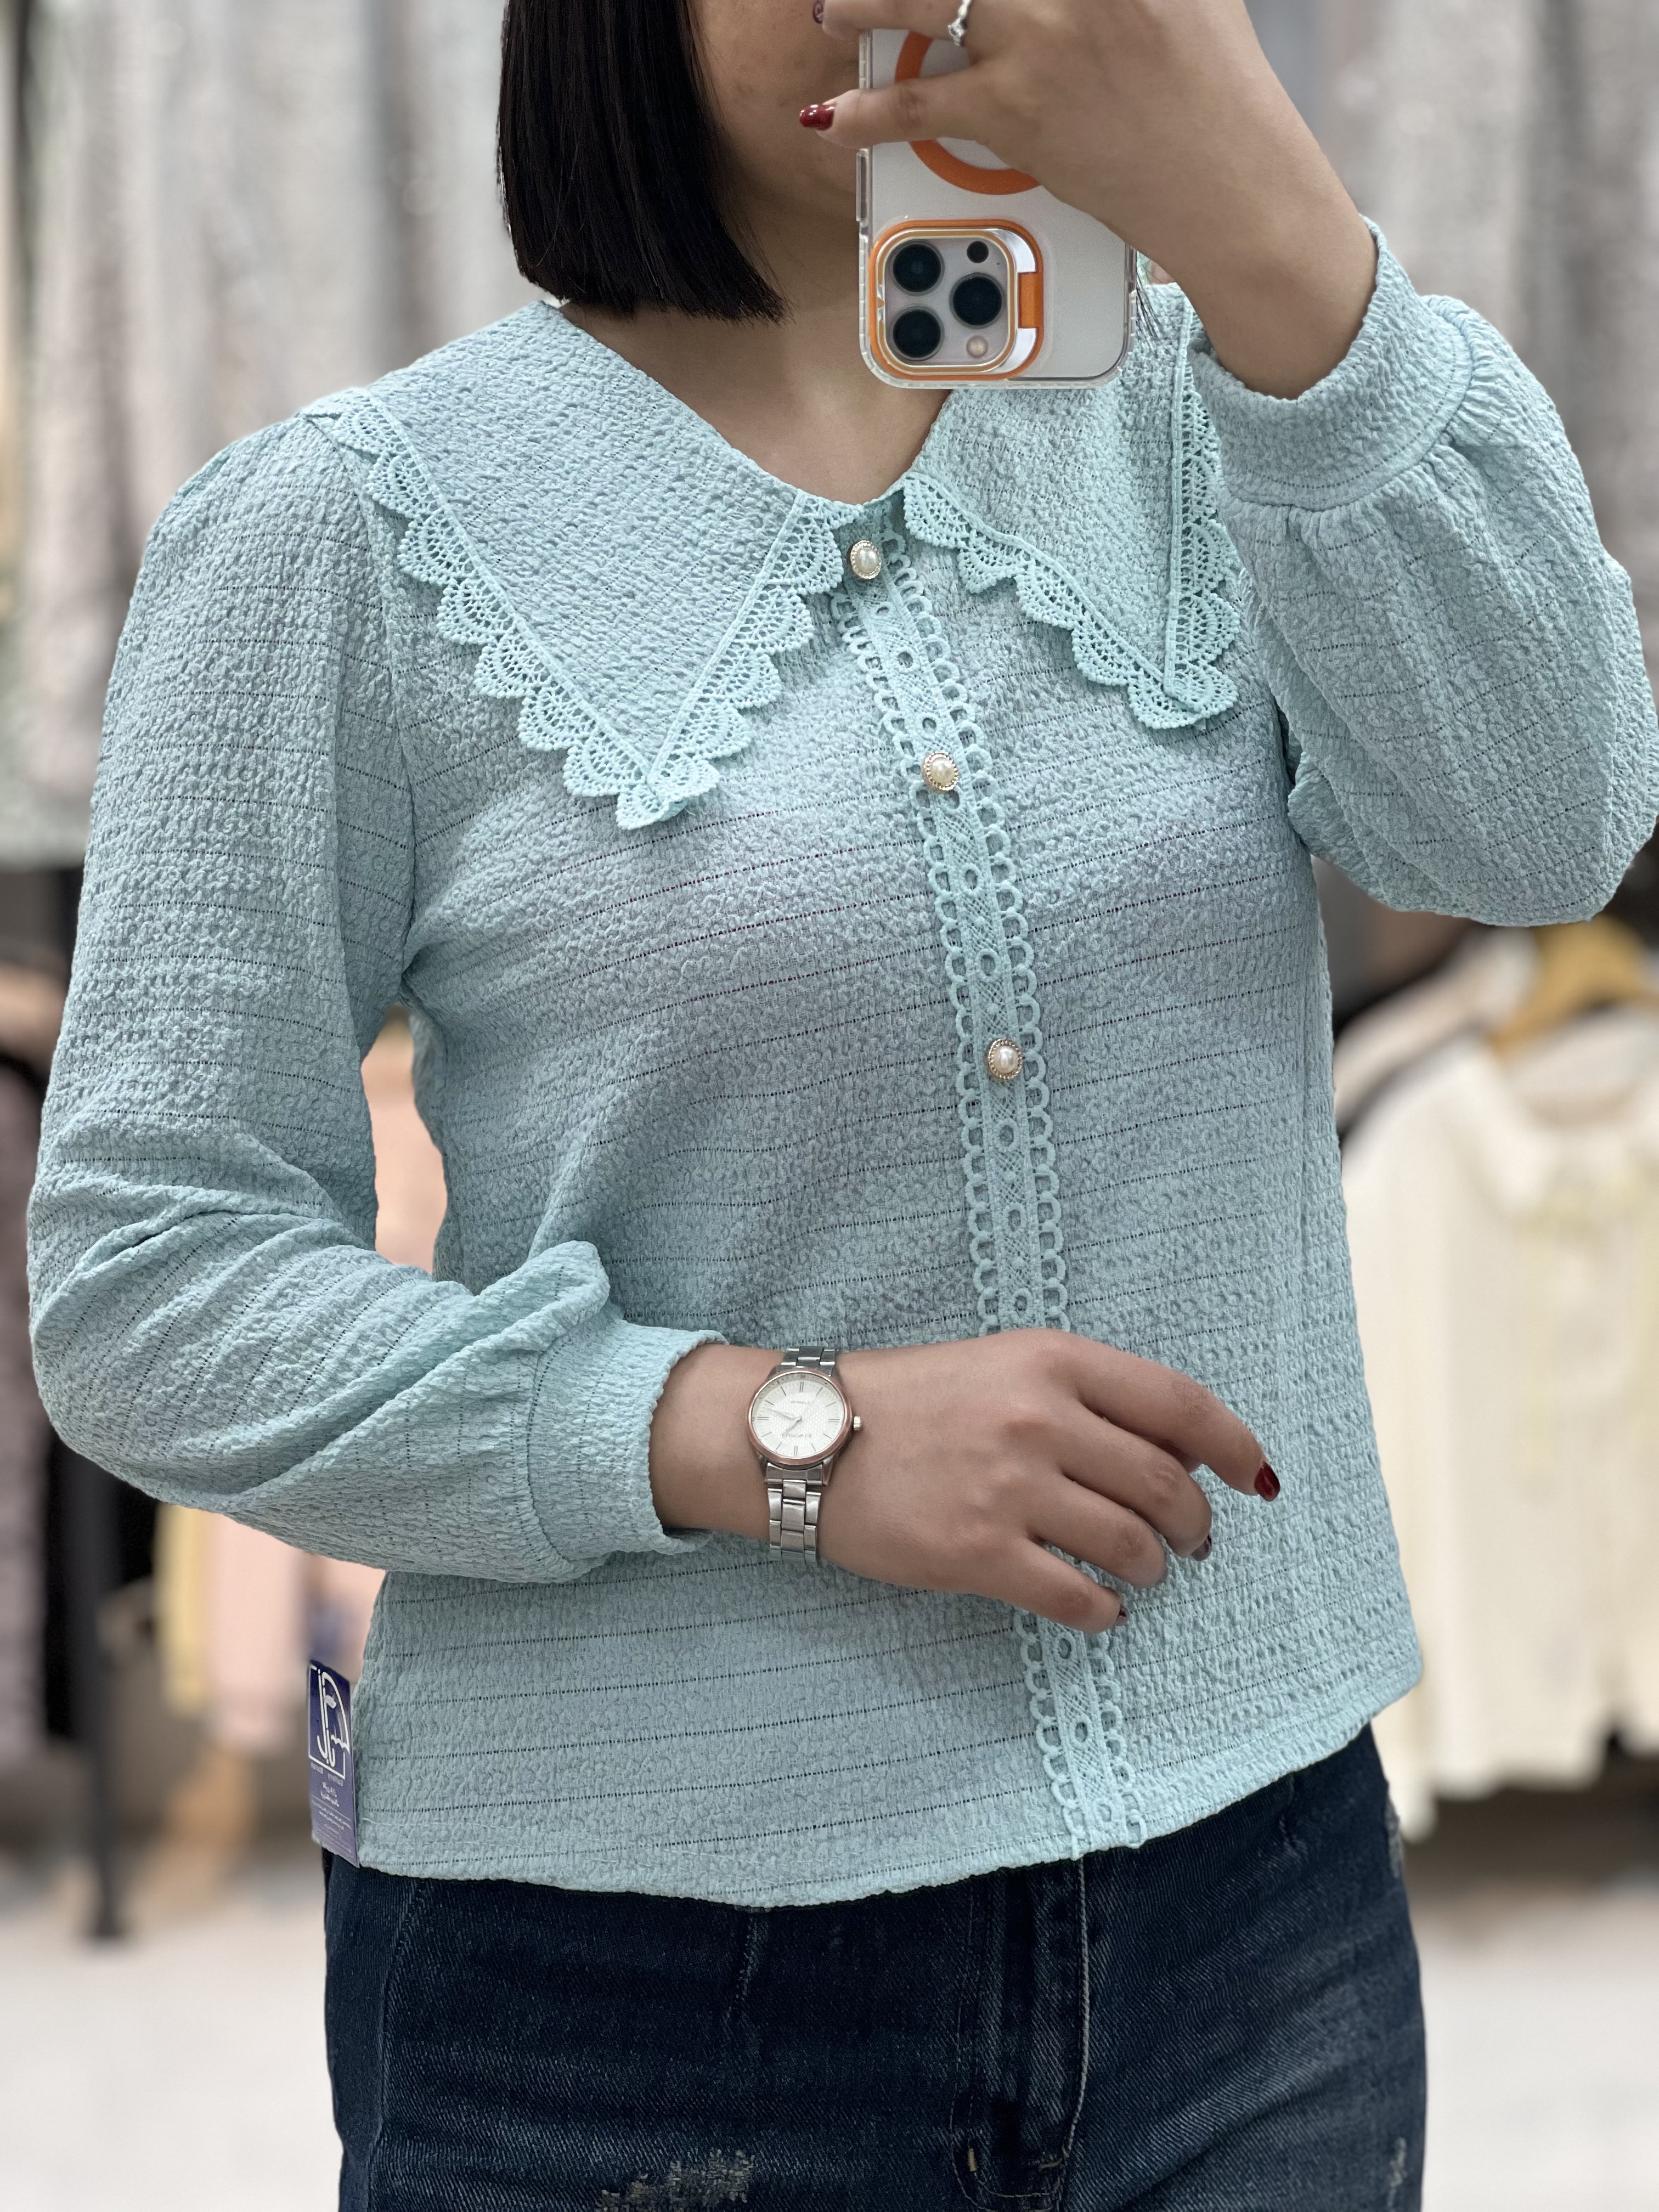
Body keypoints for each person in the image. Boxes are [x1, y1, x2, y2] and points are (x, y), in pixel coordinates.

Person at [28, 0, 1658, 2204]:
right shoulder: (343, 535)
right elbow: (146, 1283)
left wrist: (1274, 226)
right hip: (617, 1989)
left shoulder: (1221, 410)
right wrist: (775, 1436)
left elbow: (1545, 835)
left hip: (1258, 1917)